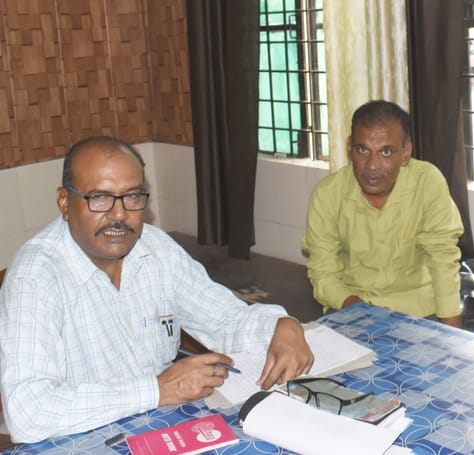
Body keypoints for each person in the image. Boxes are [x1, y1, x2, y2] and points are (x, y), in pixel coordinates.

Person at [0, 136, 314, 443]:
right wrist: (158, 389)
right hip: (82, 442)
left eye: (132, 197)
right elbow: (29, 412)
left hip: (162, 427)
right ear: (64, 203)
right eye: (100, 198)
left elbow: (224, 320)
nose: (119, 215)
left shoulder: (155, 248)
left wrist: (280, 326)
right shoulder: (35, 278)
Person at [301, 100, 464, 326]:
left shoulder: (427, 183)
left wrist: (451, 337)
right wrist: (358, 309)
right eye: (362, 150)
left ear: (405, 153)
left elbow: (443, 260)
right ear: (349, 148)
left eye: (386, 152)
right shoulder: (327, 194)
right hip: (351, 306)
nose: (372, 166)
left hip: (419, 311)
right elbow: (323, 273)